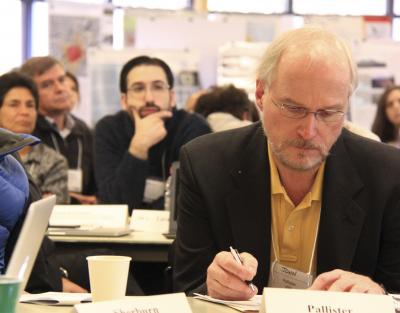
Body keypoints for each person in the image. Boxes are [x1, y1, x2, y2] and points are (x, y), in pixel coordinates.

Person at [172, 27, 400, 300]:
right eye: (293, 109)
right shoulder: (206, 165)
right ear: (260, 94)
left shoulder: (387, 175)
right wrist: (211, 287)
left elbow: (395, 287)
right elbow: (185, 287)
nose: (309, 131)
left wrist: (380, 294)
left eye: (328, 112)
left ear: (345, 106)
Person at [94, 55, 211, 212]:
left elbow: (191, 198)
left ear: (172, 97)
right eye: (138, 88)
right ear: (124, 100)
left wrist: (141, 215)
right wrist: (138, 148)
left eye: (158, 87)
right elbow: (113, 204)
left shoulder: (193, 127)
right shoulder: (108, 129)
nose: (149, 98)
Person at [20, 57, 97, 204]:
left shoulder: (83, 130)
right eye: (47, 85)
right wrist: (68, 198)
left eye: (61, 80)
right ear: (31, 93)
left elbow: (96, 179)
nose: (60, 89)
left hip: (86, 217)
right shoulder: (26, 131)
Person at [0, 71, 69, 204]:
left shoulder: (54, 161)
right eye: (14, 104)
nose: (24, 112)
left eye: (30, 105)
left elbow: (49, 209)